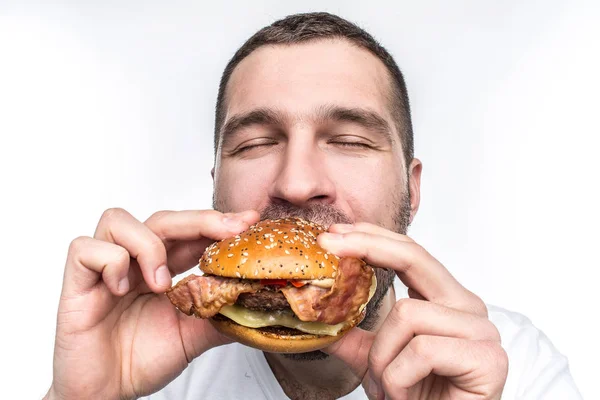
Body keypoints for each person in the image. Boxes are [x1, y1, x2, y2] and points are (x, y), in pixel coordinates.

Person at [44, 12, 581, 400]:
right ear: (215, 192)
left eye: (349, 140)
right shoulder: (143, 365)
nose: (297, 184)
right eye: (255, 144)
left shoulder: (514, 370)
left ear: (411, 191)